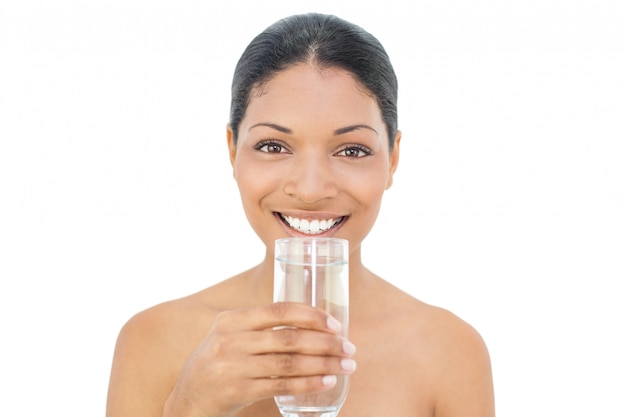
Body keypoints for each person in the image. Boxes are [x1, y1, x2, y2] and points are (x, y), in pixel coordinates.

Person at [106, 13, 494, 417]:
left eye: (352, 150)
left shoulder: (450, 352)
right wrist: (188, 407)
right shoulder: (152, 340)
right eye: (274, 146)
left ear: (393, 158)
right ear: (232, 149)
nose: (310, 189)